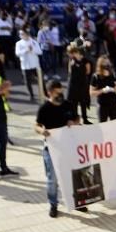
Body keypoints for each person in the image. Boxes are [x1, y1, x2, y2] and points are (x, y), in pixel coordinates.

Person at [35, 80, 81, 217]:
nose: (60, 95)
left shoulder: (68, 105)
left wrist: (74, 122)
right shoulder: (44, 109)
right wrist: (41, 131)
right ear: (49, 93)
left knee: (74, 175)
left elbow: (77, 119)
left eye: (61, 92)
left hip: (69, 146)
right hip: (51, 148)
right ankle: (53, 204)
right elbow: (36, 125)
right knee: (52, 178)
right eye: (57, 93)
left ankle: (77, 201)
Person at [66, 44, 93, 124]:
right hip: (73, 84)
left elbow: (88, 71)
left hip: (82, 83)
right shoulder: (71, 60)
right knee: (73, 103)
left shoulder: (85, 61)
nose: (69, 55)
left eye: (69, 53)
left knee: (83, 102)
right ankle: (75, 120)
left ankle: (85, 118)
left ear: (74, 52)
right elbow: (70, 71)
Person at [90, 56, 116, 123]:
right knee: (103, 125)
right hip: (102, 104)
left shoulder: (114, 75)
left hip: (113, 103)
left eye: (108, 64)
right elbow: (91, 92)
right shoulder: (96, 76)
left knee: (115, 124)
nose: (107, 67)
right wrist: (102, 90)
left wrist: (114, 90)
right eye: (105, 65)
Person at [15, 30, 43, 103]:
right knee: (28, 81)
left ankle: (44, 93)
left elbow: (40, 52)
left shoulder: (34, 42)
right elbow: (17, 53)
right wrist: (25, 50)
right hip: (25, 65)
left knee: (40, 79)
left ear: (27, 34)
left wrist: (32, 50)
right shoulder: (18, 43)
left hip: (35, 64)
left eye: (23, 34)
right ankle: (31, 95)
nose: (21, 35)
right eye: (20, 34)